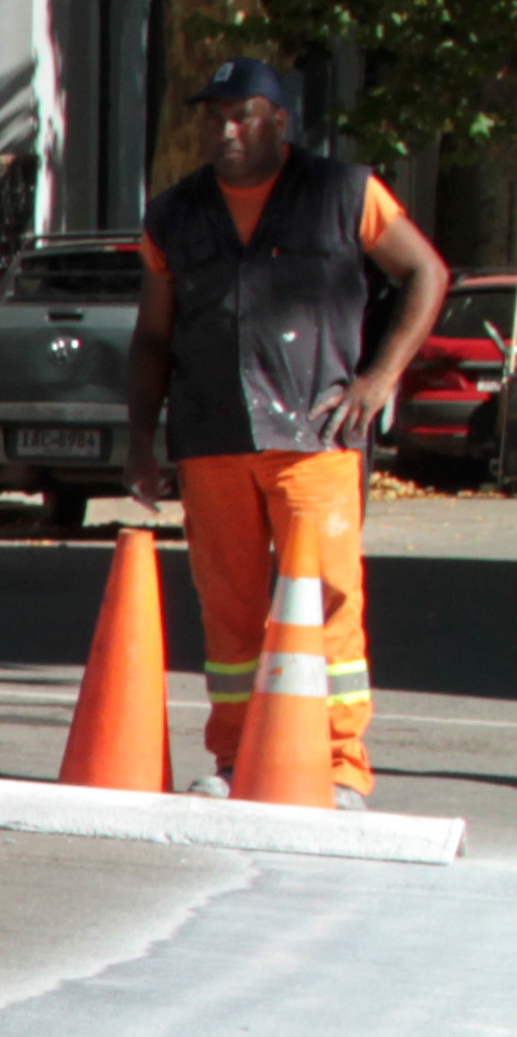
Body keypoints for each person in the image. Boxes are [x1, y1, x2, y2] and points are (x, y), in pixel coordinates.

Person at [123, 54, 448, 807]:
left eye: (241, 116)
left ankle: (339, 767)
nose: (225, 130)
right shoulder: (174, 214)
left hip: (315, 436)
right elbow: (152, 337)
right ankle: (237, 761)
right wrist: (141, 441)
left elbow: (426, 272)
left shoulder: (343, 193)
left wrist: (380, 378)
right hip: (211, 437)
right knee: (231, 612)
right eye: (214, 117)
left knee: (325, 606)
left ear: (279, 122)